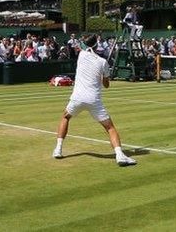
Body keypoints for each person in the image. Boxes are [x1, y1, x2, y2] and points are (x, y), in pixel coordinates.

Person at [54, 34, 136, 167]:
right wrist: (103, 75)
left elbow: (82, 47)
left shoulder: (81, 55)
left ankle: (58, 149)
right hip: (93, 100)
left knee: (66, 117)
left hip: (78, 98)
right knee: (110, 128)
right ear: (97, 46)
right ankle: (120, 155)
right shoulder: (103, 62)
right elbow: (106, 85)